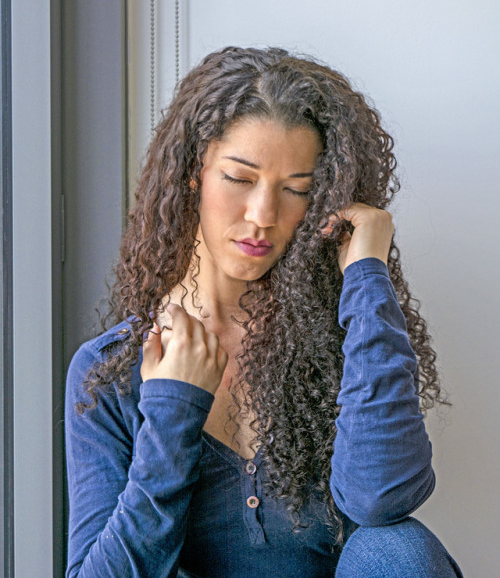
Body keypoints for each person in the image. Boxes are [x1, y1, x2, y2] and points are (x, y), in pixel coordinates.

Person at [65, 46, 463, 577]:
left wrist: (368, 274)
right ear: (194, 172)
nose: (263, 216)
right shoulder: (109, 372)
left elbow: (380, 499)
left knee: (399, 549)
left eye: (296, 190)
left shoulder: (340, 338)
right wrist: (172, 408)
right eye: (239, 178)